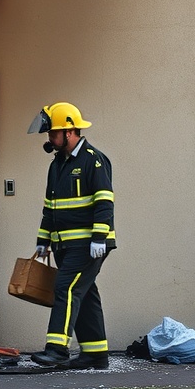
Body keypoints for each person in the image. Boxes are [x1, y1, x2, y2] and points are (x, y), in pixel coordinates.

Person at [26, 101, 116, 369]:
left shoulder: (94, 160)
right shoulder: (57, 165)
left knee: (65, 288)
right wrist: (43, 241)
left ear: (70, 131)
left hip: (88, 244)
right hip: (64, 245)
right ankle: (95, 354)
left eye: (53, 133)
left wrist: (99, 237)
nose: (49, 139)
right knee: (85, 294)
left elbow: (104, 201)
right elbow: (49, 207)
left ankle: (57, 349)